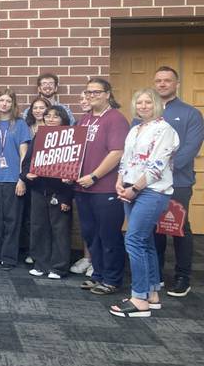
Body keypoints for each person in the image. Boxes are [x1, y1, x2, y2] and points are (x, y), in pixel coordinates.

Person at [111, 88, 179, 317]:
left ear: (157, 104)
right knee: (145, 242)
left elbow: (157, 165)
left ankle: (139, 299)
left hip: (151, 192)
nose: (143, 106)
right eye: (139, 102)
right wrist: (120, 182)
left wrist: (135, 188)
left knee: (133, 240)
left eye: (147, 102)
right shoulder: (135, 129)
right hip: (130, 188)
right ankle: (151, 294)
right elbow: (126, 160)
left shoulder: (165, 130)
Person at [152, 66, 204, 297]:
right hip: (150, 183)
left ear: (176, 84)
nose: (162, 84)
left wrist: (159, 171)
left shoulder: (190, 113)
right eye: (158, 81)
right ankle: (157, 273)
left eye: (167, 80)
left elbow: (188, 150)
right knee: (154, 227)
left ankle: (183, 276)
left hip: (178, 182)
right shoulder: (147, 110)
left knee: (179, 227)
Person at [76, 78, 130, 295]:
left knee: (109, 235)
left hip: (105, 188)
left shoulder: (115, 119)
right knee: (90, 234)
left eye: (96, 92)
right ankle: (97, 274)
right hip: (82, 188)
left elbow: (117, 152)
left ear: (108, 94)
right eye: (88, 92)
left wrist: (94, 176)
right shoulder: (84, 120)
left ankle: (112, 279)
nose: (91, 96)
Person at [21, 105, 74, 278]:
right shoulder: (39, 136)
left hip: (60, 192)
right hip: (38, 189)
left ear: (63, 119)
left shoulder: (71, 137)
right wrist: (26, 174)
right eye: (47, 116)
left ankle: (58, 267)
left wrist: (67, 196)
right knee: (39, 227)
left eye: (55, 116)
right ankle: (41, 264)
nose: (51, 119)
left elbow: (75, 167)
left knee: (59, 230)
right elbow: (27, 162)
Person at [0, 89, 31, 269]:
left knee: (12, 220)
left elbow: (24, 153)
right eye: (1, 100)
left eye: (8, 101)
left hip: (13, 179)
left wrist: (21, 179)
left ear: (13, 104)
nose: (4, 104)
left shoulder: (20, 124)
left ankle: (8, 258)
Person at [70, 91, 95, 276]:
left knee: (100, 225)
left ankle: (98, 261)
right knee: (86, 224)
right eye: (82, 98)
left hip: (99, 182)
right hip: (80, 181)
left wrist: (95, 175)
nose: (84, 101)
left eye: (88, 98)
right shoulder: (81, 122)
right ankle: (88, 258)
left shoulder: (111, 119)